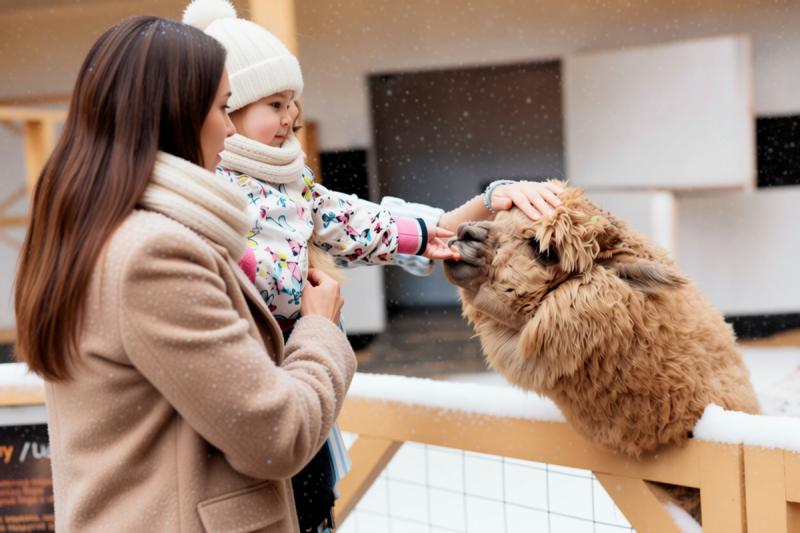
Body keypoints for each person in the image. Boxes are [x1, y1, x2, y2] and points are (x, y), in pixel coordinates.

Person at [14, 16, 353, 532]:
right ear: (176, 116)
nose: (232, 127)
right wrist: (320, 331)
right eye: (221, 107)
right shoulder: (156, 255)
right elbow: (275, 436)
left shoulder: (90, 230)